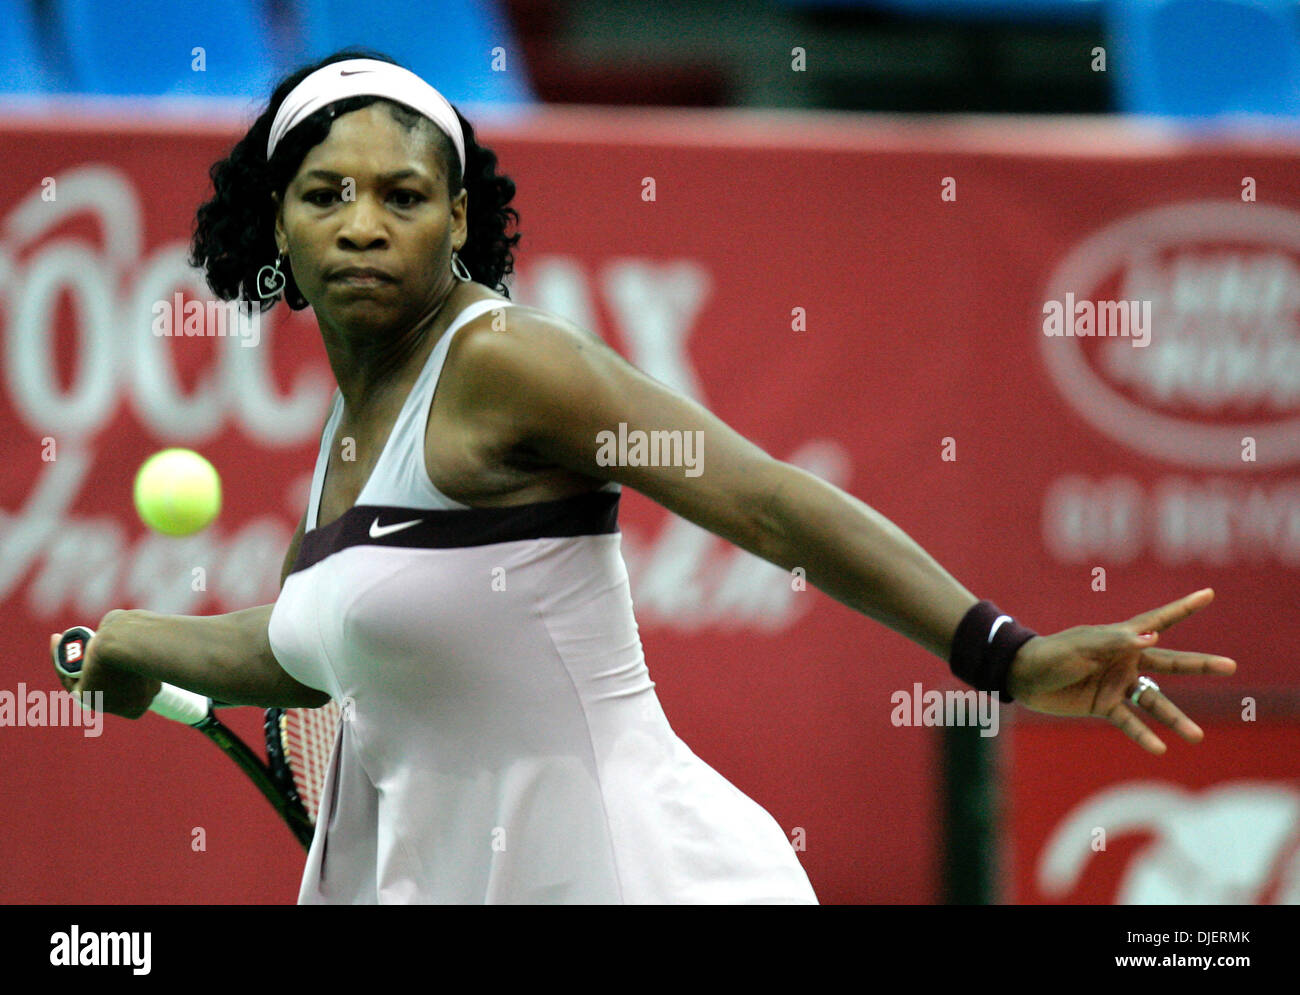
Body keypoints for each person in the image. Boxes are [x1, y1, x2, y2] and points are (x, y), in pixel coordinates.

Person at [52, 49, 1237, 904]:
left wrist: (1005, 652)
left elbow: (766, 499)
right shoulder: (351, 429)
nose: (363, 223)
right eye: (326, 195)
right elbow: (306, 651)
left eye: (403, 196)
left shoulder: (501, 365)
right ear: (280, 221)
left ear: (458, 216)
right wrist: (141, 636)